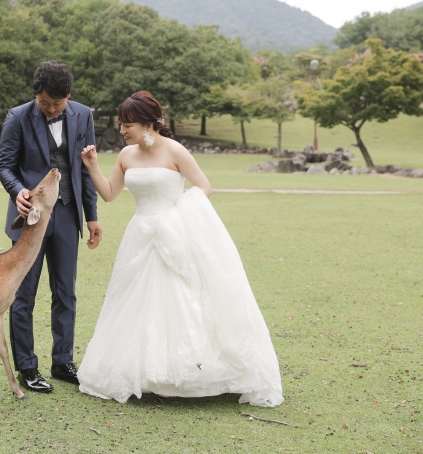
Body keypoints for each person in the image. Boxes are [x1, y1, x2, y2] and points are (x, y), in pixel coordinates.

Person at [76, 90, 283, 407]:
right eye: (121, 124)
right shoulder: (125, 155)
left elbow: (204, 186)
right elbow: (109, 193)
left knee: (180, 299)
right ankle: (144, 372)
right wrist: (92, 166)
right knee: (136, 302)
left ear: (147, 123)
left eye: (127, 124)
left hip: (175, 234)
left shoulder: (175, 150)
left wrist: (177, 217)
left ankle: (186, 372)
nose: (122, 130)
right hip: (140, 237)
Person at [0, 61, 103, 394]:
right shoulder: (17, 117)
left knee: (66, 293)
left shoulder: (83, 115)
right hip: (31, 220)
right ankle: (27, 366)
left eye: (58, 104)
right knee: (23, 296)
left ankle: (62, 361)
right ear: (36, 95)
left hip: (69, 216)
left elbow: (84, 171)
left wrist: (92, 216)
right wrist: (19, 192)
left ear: (69, 96)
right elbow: (5, 166)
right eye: (45, 103)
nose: (51, 109)